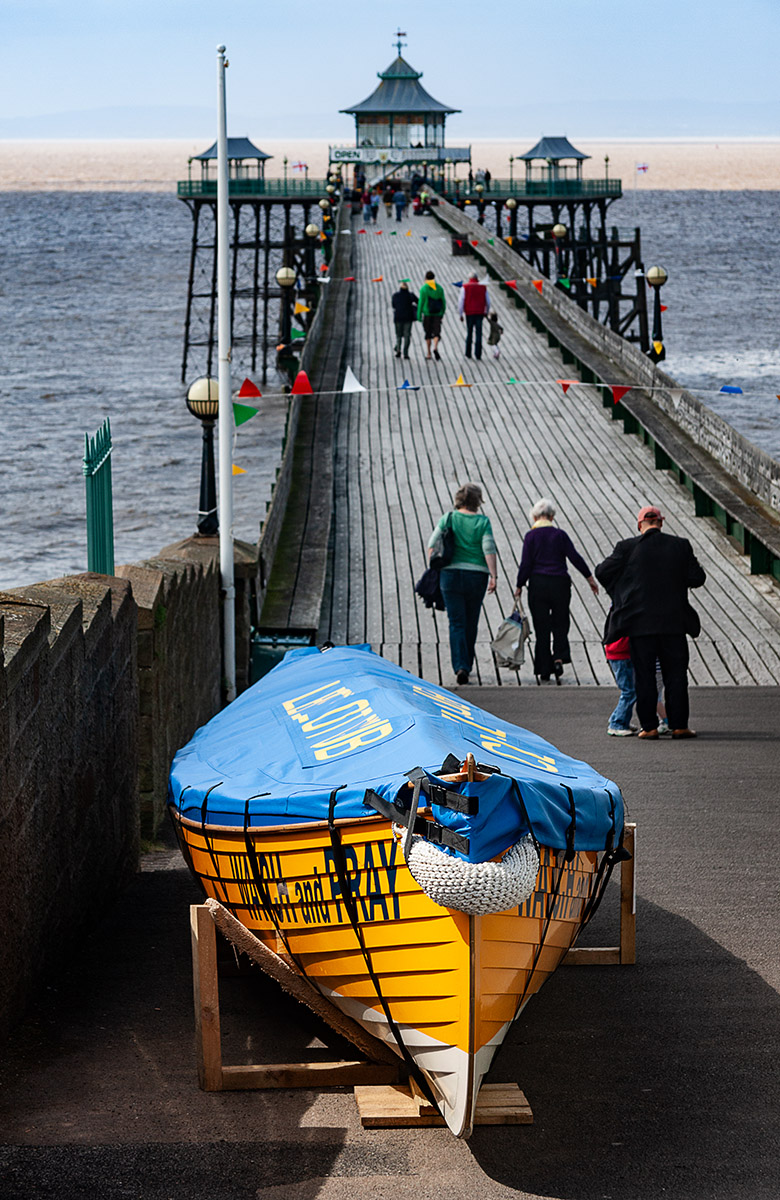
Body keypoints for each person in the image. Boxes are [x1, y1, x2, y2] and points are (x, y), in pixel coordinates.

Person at [595, 505, 706, 739]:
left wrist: (622, 594)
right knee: (676, 675)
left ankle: (649, 727)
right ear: (661, 523)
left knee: (644, 676)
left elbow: (602, 572)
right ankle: (679, 726)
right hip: (673, 623)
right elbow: (697, 578)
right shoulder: (680, 545)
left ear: (640, 525)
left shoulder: (627, 548)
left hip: (639, 625)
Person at [514, 498, 599, 682]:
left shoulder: (531, 536)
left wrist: (519, 585)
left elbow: (526, 564)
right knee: (561, 622)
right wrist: (589, 578)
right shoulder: (560, 535)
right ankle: (559, 657)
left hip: (538, 584)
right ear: (552, 517)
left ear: (535, 516)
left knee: (541, 626)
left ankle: (544, 669)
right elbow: (574, 557)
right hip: (560, 583)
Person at [428, 483, 497, 685]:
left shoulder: (448, 519)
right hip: (476, 577)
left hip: (449, 576)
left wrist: (434, 571)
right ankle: (467, 663)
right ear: (478, 501)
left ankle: (461, 666)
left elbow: (432, 545)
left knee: (456, 621)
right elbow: (488, 548)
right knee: (471, 620)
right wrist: (494, 575)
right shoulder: (483, 522)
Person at [458, 274, 491, 360]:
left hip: (469, 313)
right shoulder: (483, 287)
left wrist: (460, 314)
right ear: (477, 278)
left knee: (469, 332)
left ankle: (468, 353)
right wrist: (486, 311)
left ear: (469, 278)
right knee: (479, 333)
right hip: (480, 312)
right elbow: (488, 301)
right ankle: (478, 354)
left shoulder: (465, 287)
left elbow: (461, 301)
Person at [417, 270, 446, 361]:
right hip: (437, 313)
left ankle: (429, 353)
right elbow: (443, 302)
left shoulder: (424, 289)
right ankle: (435, 347)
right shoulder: (440, 288)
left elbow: (421, 302)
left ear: (426, 278)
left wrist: (419, 314)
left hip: (427, 314)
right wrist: (442, 312)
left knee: (428, 333)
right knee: (437, 332)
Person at [391, 281, 417, 358]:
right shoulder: (411, 295)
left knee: (398, 335)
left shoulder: (395, 295)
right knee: (407, 335)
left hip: (398, 317)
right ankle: (405, 353)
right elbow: (418, 302)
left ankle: (398, 349)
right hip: (408, 318)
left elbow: (393, 305)